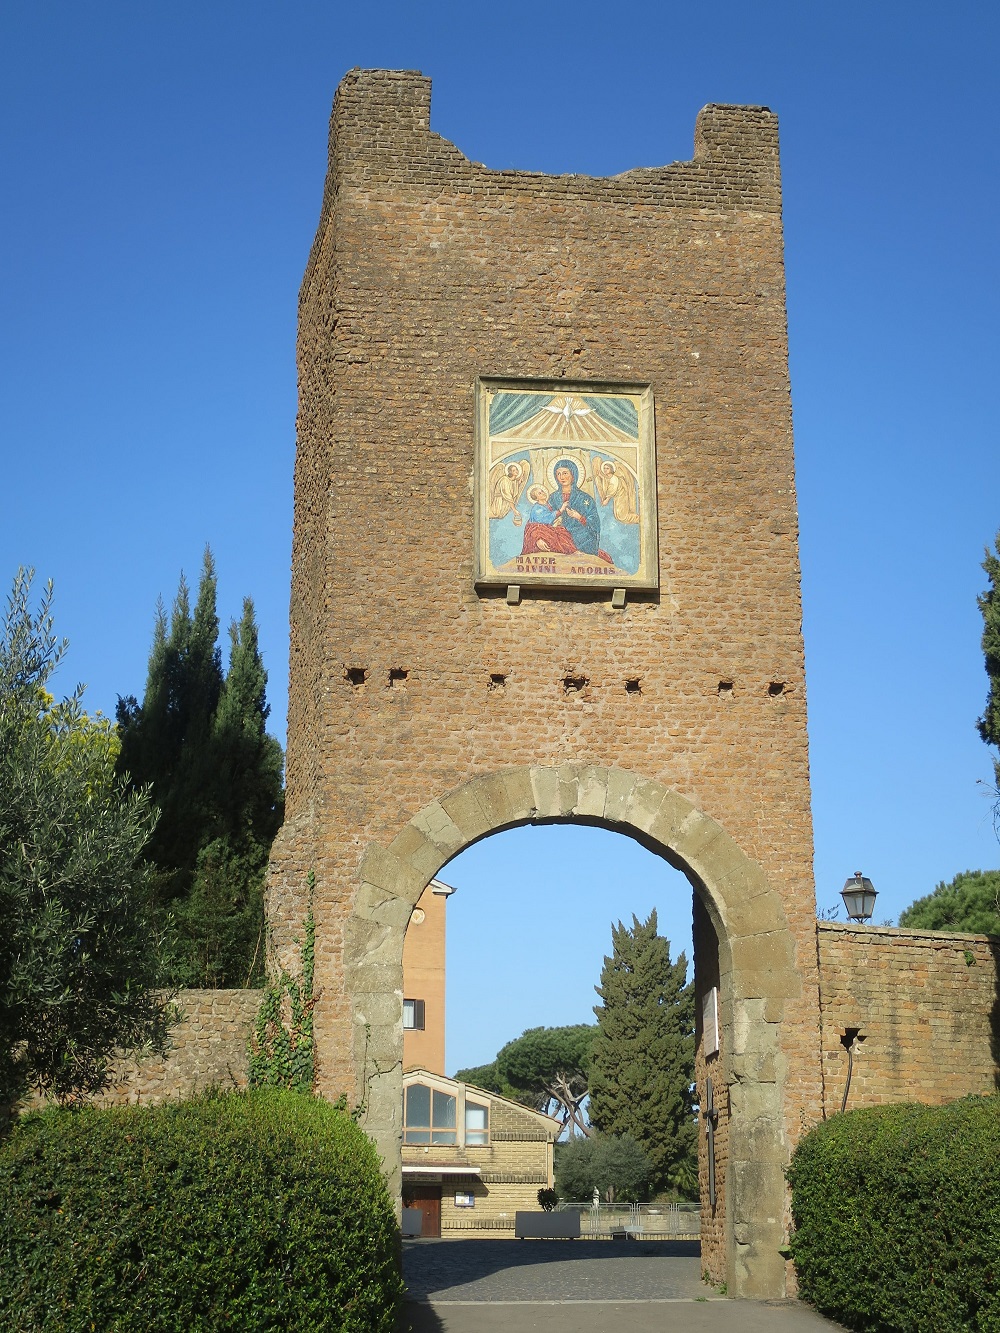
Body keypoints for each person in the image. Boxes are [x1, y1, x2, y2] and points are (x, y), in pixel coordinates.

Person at [519, 462, 613, 564]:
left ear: (573, 475)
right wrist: (538, 538)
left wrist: (579, 517)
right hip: (558, 536)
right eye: (558, 474)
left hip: (581, 538)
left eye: (565, 473)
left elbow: (594, 523)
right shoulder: (552, 498)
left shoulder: (585, 498)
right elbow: (537, 521)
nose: (561, 477)